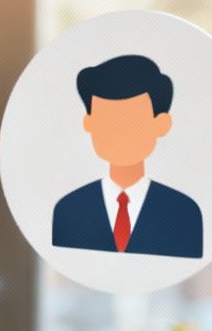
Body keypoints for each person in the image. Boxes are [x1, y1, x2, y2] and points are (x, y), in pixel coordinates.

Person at [51, 54, 203, 259]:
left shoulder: (184, 214)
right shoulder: (69, 210)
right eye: (107, 121)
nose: (118, 133)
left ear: (161, 124)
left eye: (132, 121)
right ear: (89, 123)